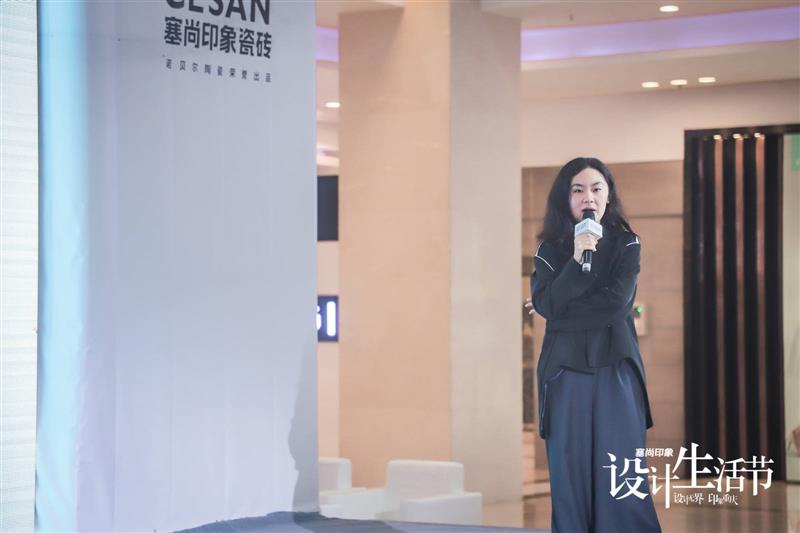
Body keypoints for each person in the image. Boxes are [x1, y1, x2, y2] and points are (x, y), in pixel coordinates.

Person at [524, 157, 662, 533]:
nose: (589, 197)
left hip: (617, 368)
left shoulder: (627, 243)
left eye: (597, 188)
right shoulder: (549, 250)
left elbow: (615, 304)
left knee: (620, 472)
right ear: (565, 198)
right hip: (564, 370)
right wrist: (574, 260)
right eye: (578, 189)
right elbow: (549, 305)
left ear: (608, 196)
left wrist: (556, 310)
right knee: (570, 476)